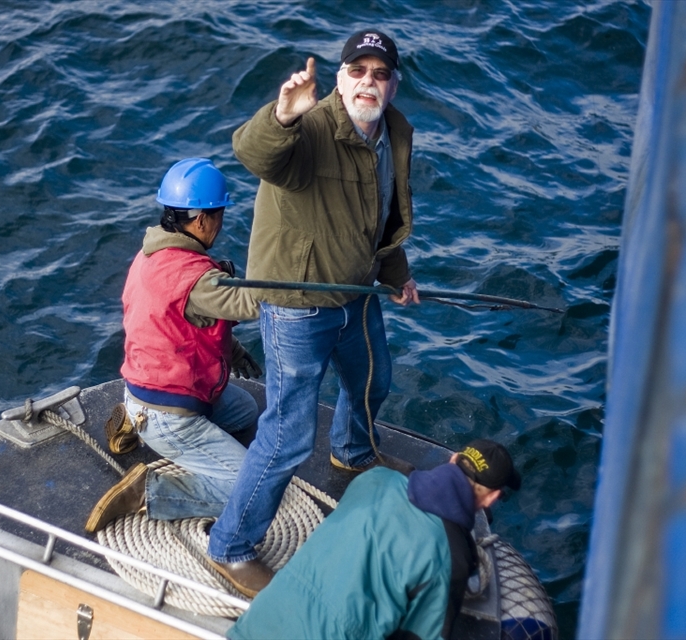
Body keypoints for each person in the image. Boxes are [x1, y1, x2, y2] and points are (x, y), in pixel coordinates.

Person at [205, 29, 420, 595]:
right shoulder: (309, 129)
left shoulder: (394, 132)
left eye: (379, 73)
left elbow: (383, 215)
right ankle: (229, 546)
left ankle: (352, 454)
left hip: (358, 294)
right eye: (357, 71)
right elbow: (253, 152)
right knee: (287, 436)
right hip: (298, 305)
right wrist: (281, 114)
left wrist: (395, 276)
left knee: (373, 382)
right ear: (340, 77)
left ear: (393, 84)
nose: (367, 82)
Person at [85, 158, 263, 533]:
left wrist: (233, 352)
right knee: (250, 489)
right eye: (219, 214)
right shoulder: (196, 278)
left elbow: (177, 323)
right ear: (201, 221)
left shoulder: (151, 255)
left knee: (245, 410)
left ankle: (135, 419)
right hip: (171, 412)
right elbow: (252, 302)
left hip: (145, 387)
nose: (221, 222)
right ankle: (149, 491)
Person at [228, 439, 522, 640]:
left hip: (255, 627)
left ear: (453, 460)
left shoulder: (376, 479)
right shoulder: (452, 557)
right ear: (493, 498)